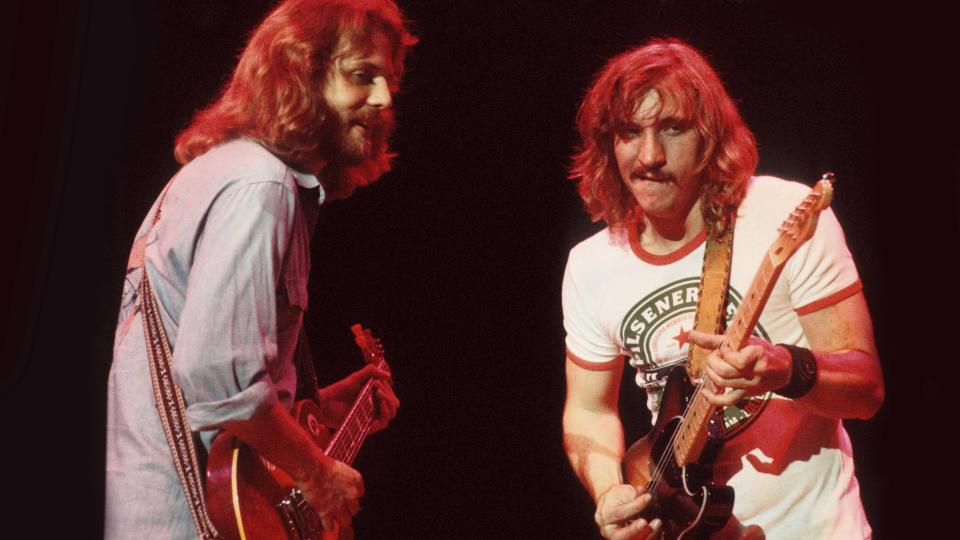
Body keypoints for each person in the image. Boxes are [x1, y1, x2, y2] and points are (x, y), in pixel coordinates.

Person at [106, 1, 416, 537]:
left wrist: (323, 405)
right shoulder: (260, 185)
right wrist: (317, 474)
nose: (385, 99)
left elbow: (210, 367)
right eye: (362, 76)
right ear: (302, 73)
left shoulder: (220, 175)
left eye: (387, 80)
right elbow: (216, 377)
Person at [561, 38, 884, 539]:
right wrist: (609, 493)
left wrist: (785, 368)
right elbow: (588, 409)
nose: (649, 155)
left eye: (672, 128)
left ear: (709, 135)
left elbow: (865, 391)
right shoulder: (590, 265)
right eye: (629, 133)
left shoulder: (783, 214)